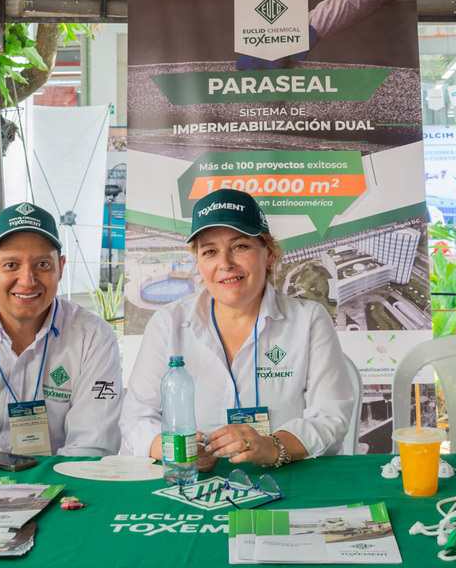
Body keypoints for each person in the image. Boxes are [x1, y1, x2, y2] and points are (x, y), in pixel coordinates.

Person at [120, 189, 355, 469]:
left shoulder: (309, 320)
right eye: (209, 251)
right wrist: (176, 449)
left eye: (240, 246)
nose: (225, 263)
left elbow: (331, 415)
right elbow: (136, 416)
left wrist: (272, 446)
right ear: (198, 262)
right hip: (191, 481)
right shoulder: (167, 323)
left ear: (268, 254)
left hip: (288, 476)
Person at [0, 202, 122, 456]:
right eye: (11, 265)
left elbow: (93, 445)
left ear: (61, 267)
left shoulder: (93, 337)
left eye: (42, 265)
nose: (27, 280)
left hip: (60, 482)